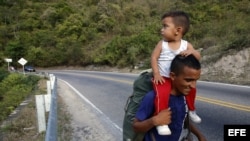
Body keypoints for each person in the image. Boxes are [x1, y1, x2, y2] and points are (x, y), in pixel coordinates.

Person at [133, 54, 206, 141]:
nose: (193, 86)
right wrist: (154, 121)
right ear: (173, 76)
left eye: (195, 80)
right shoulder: (153, 97)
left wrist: (199, 135)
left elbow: (182, 120)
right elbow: (136, 126)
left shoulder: (184, 97)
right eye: (188, 80)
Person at [150, 11, 201, 135]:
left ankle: (192, 110)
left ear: (178, 30)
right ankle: (162, 123)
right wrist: (156, 73)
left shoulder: (186, 44)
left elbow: (198, 56)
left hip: (178, 79)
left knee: (192, 89)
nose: (162, 30)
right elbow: (153, 58)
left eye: (165, 26)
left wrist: (192, 52)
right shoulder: (162, 44)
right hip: (164, 78)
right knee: (161, 94)